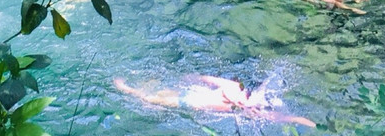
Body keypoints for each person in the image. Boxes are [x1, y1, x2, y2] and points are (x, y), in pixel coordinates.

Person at [113, 75, 316, 128]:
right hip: (188, 97)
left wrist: (300, 120)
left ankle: (127, 89)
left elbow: (277, 117)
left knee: (152, 97)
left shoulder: (238, 98)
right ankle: (134, 88)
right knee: (155, 96)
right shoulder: (242, 101)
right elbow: (284, 117)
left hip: (188, 98)